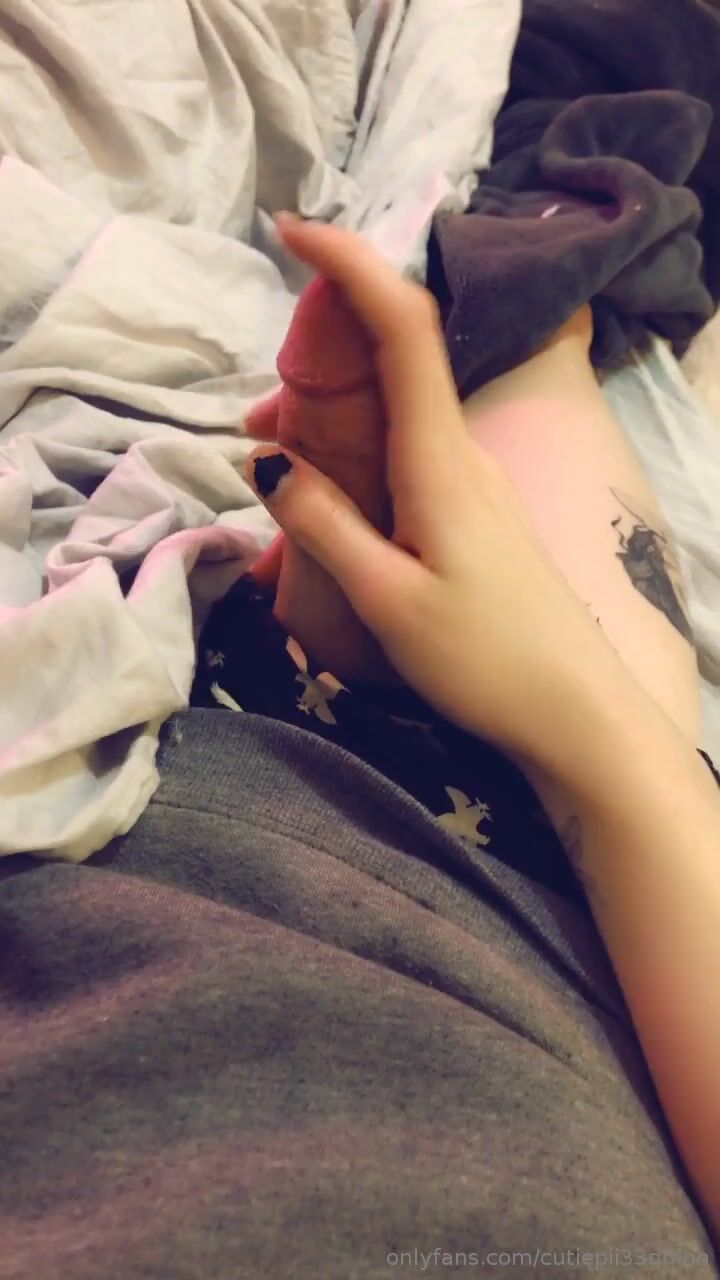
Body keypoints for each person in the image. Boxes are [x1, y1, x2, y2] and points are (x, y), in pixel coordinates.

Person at [199, 213, 720, 1250]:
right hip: (563, 930)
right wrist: (583, 720)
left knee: (550, 291)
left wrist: (580, 717)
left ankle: (549, 258)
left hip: (211, 861)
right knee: (548, 306)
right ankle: (551, 265)